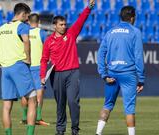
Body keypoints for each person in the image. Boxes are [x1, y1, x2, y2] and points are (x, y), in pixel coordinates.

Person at [40, 0, 95, 134]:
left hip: (72, 72)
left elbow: (81, 20)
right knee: (60, 104)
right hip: (56, 75)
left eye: (65, 24)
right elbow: (44, 59)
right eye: (61, 24)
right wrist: (42, 76)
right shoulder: (48, 41)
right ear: (54, 26)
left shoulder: (71, 33)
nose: (64, 26)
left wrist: (88, 8)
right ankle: (60, 130)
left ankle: (75, 129)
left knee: (73, 102)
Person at [0, 3, 37, 135]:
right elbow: (26, 41)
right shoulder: (22, 26)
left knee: (7, 106)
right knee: (33, 100)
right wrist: (28, 59)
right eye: (27, 16)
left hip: (5, 69)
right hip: (18, 66)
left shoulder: (1, 28)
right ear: (23, 14)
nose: (28, 19)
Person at [95, 6, 145, 135]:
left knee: (107, 105)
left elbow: (100, 54)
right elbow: (138, 56)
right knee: (129, 108)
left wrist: (103, 74)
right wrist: (141, 79)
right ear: (133, 18)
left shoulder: (110, 32)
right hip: (129, 75)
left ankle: (98, 133)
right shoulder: (135, 32)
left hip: (111, 74)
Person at [20, 13, 49, 126]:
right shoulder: (42, 33)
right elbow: (47, 49)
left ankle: (24, 117)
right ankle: (38, 117)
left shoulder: (23, 31)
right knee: (39, 92)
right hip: (38, 67)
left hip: (25, 66)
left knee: (25, 93)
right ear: (38, 21)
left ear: (28, 21)